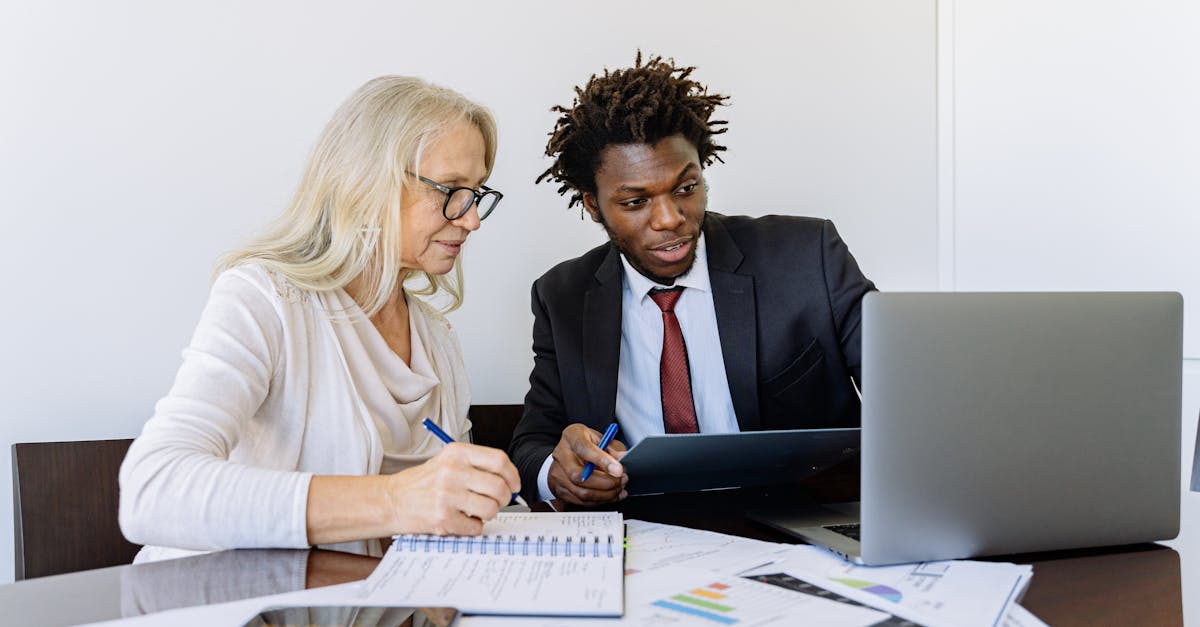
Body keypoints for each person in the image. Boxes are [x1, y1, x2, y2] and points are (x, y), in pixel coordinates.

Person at [119, 76, 521, 563]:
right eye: (453, 190)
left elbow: (440, 518)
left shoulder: (437, 339)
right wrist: (397, 501)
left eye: (477, 193)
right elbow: (153, 489)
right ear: (366, 181)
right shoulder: (264, 299)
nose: (472, 218)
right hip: (229, 602)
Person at [509, 54, 876, 506]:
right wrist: (558, 473)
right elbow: (531, 446)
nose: (670, 219)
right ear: (593, 205)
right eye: (635, 202)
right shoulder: (562, 296)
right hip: (644, 533)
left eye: (686, 189)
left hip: (800, 523)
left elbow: (908, 390)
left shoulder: (806, 256)